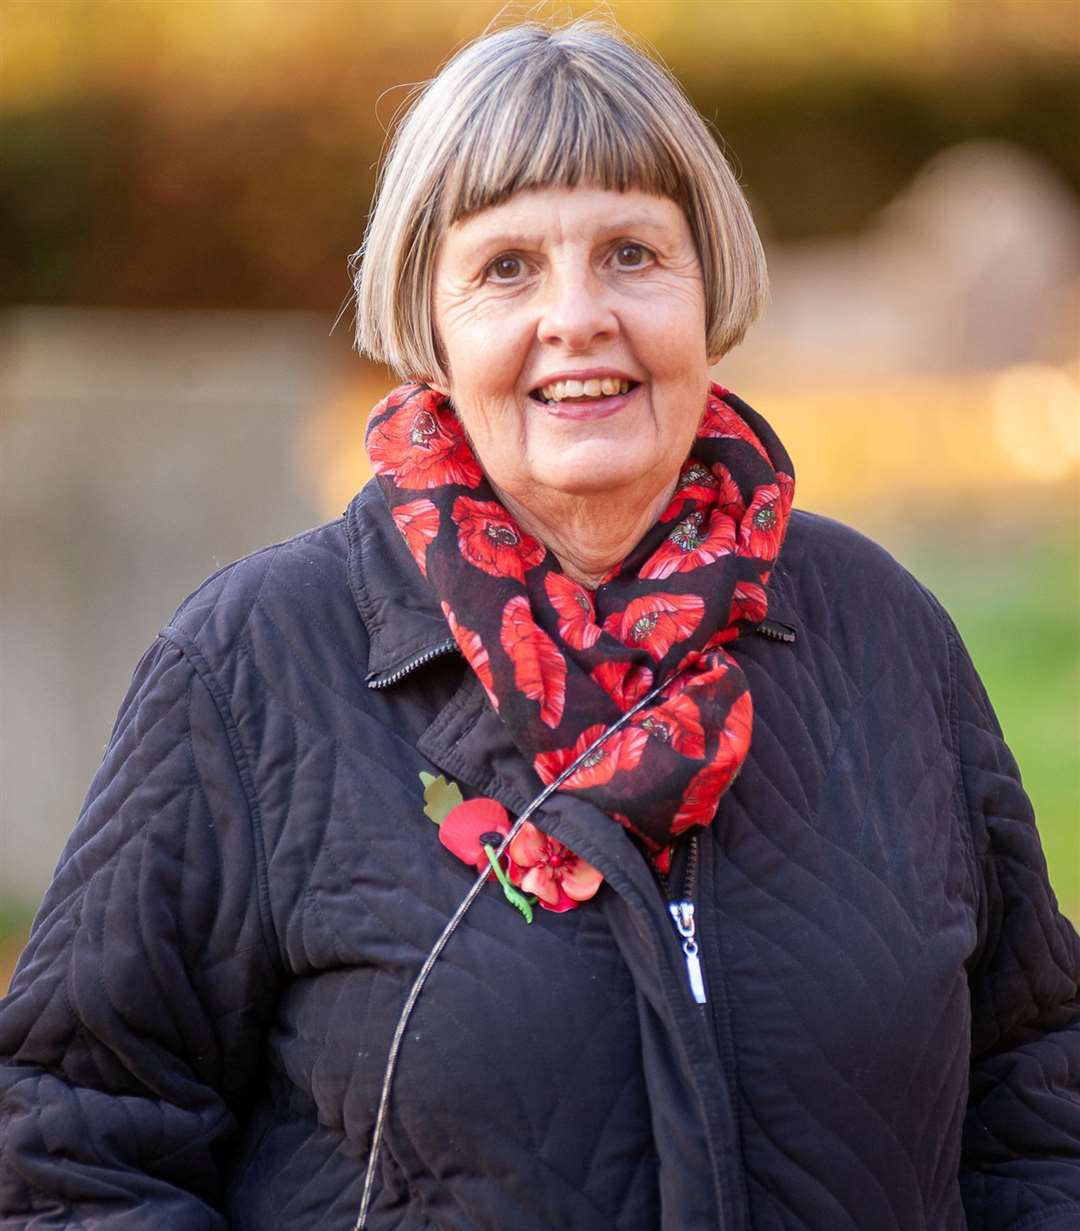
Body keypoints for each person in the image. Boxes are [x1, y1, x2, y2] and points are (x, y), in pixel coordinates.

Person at [1, 18, 1078, 1231]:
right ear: (429, 318)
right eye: (508, 266)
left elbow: (1040, 1093)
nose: (578, 316)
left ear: (707, 288)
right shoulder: (252, 666)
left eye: (631, 253)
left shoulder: (885, 634)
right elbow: (71, 1145)